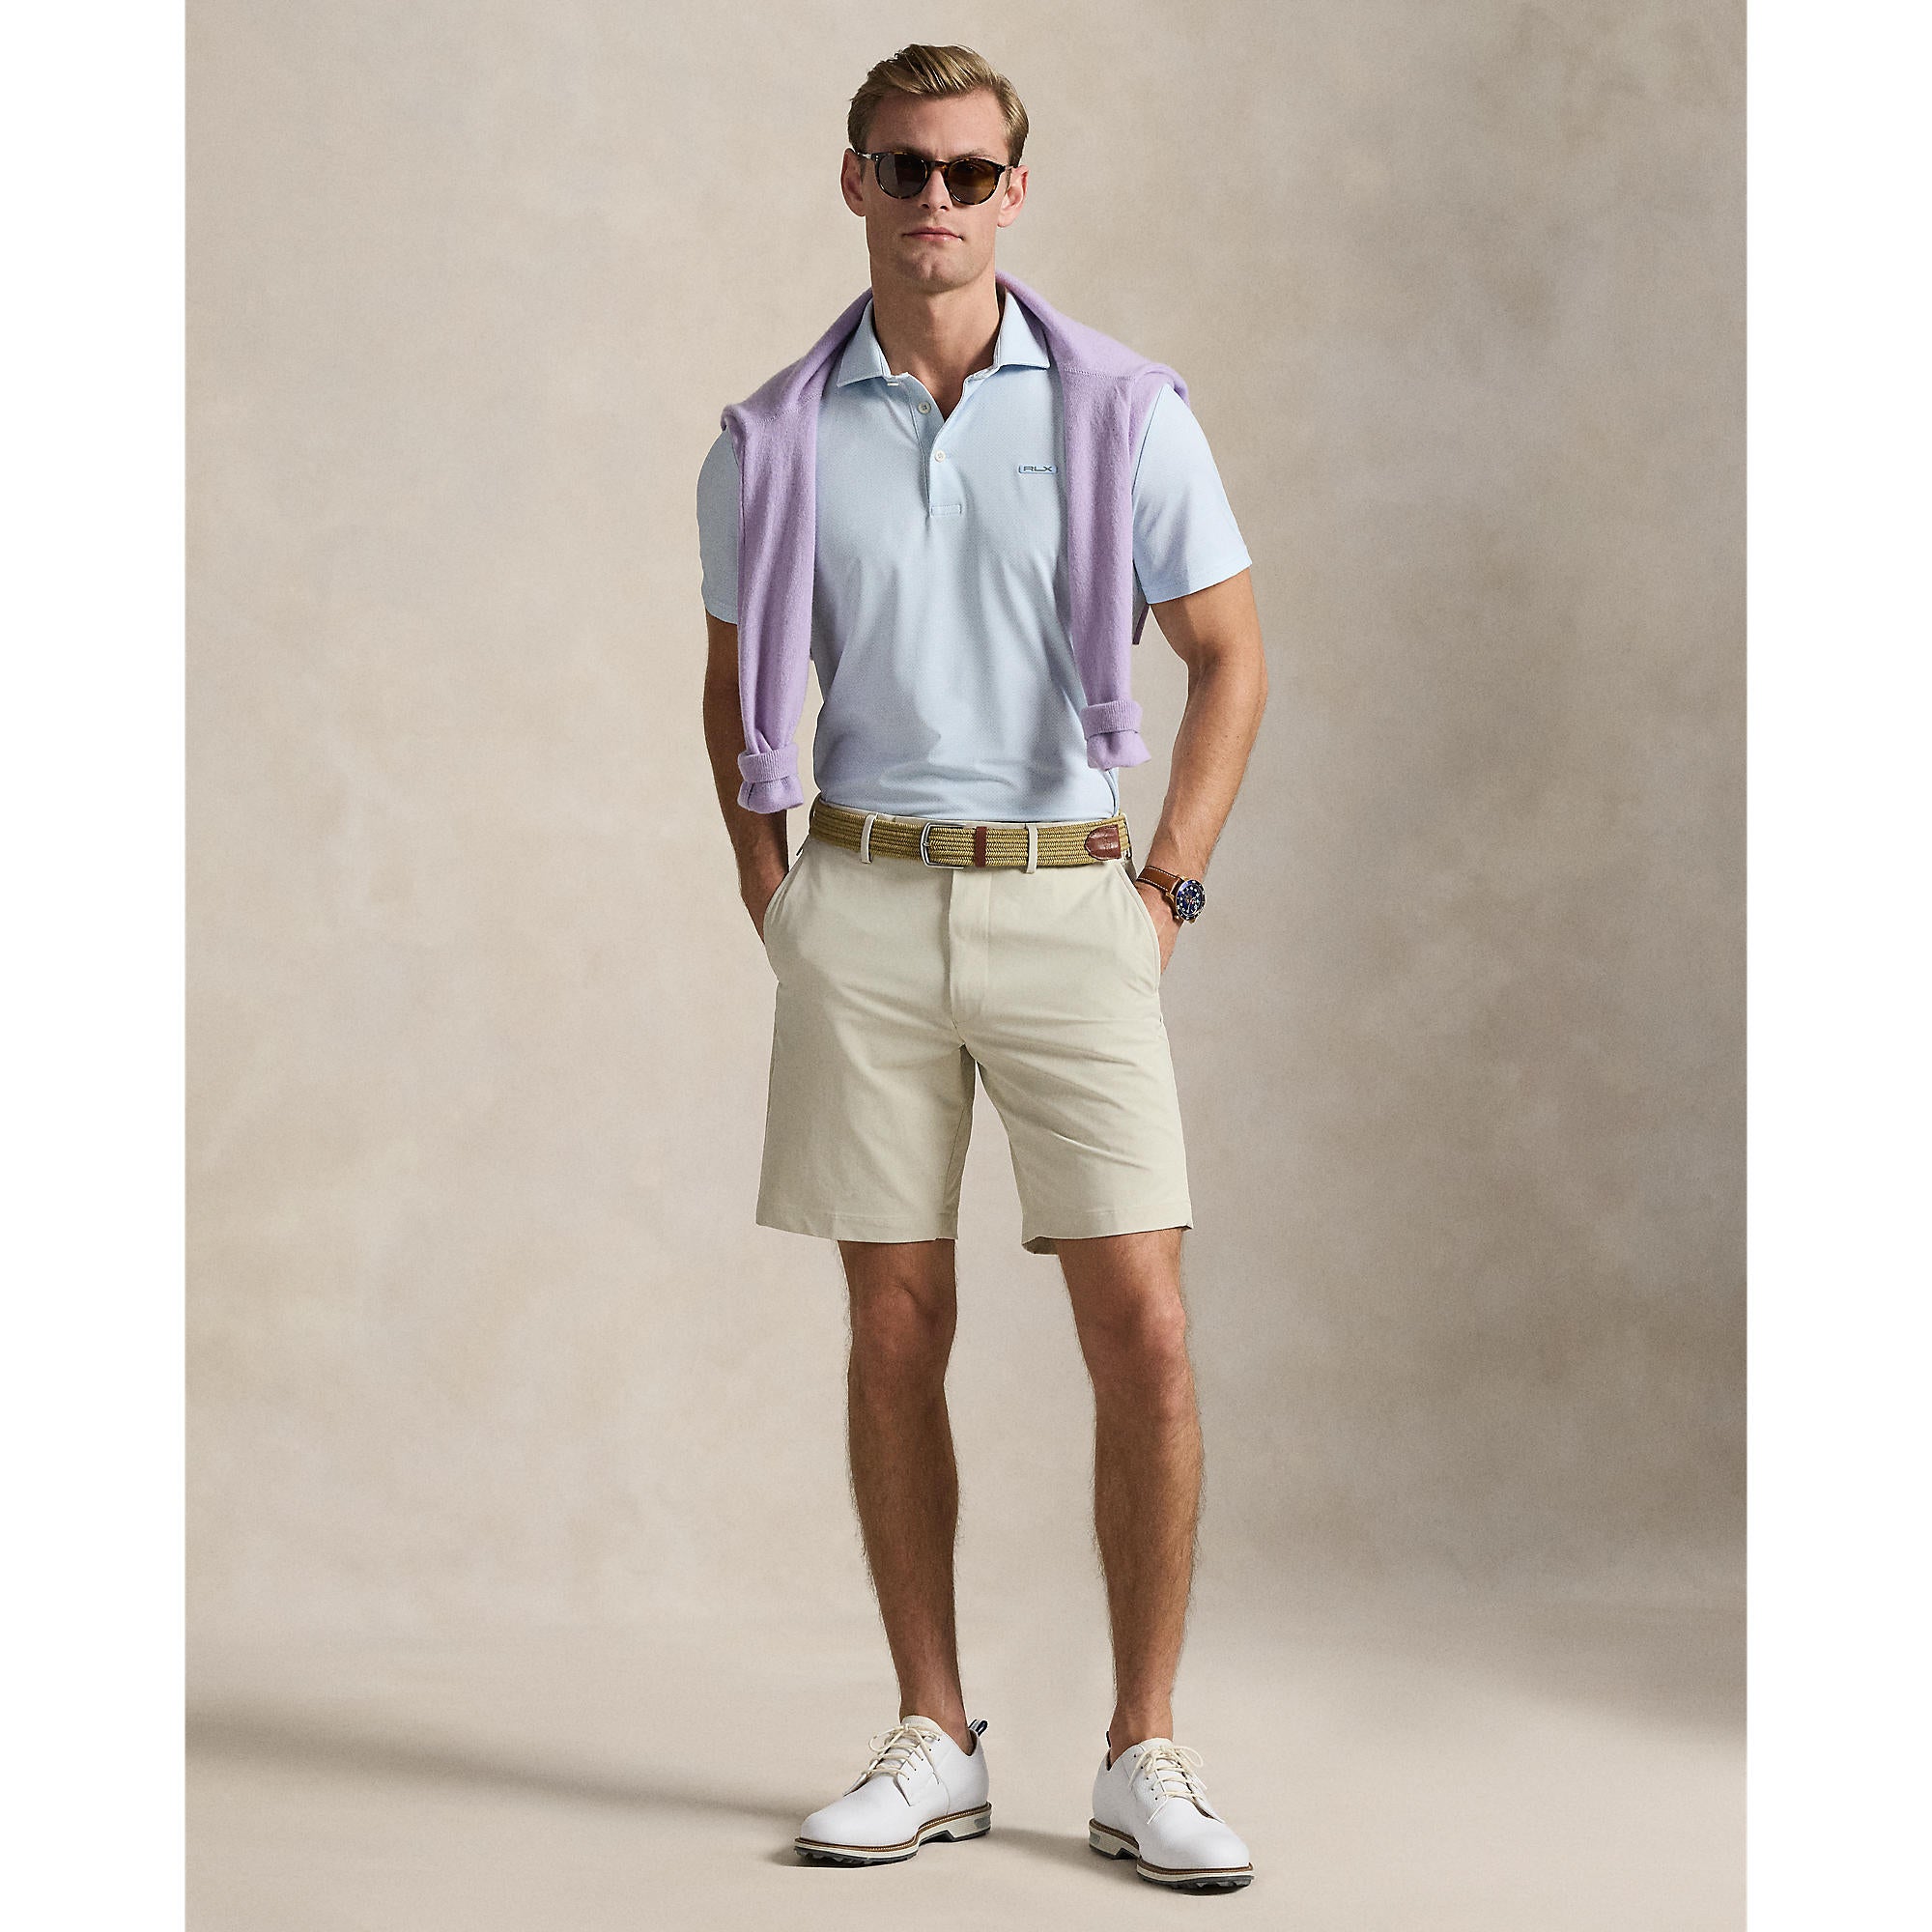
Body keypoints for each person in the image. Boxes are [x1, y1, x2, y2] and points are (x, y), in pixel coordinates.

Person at [696, 43, 1267, 1895]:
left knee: (1145, 1329)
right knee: (893, 1329)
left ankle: (1143, 1749)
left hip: (1071, 897)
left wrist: (1165, 889)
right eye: (902, 167)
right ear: (852, 181)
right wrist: (783, 905)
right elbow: (735, 694)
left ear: (1014, 189)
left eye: (966, 170)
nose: (933, 199)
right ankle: (932, 1736)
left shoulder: (1122, 413)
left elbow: (1231, 654)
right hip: (862, 902)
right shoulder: (770, 441)